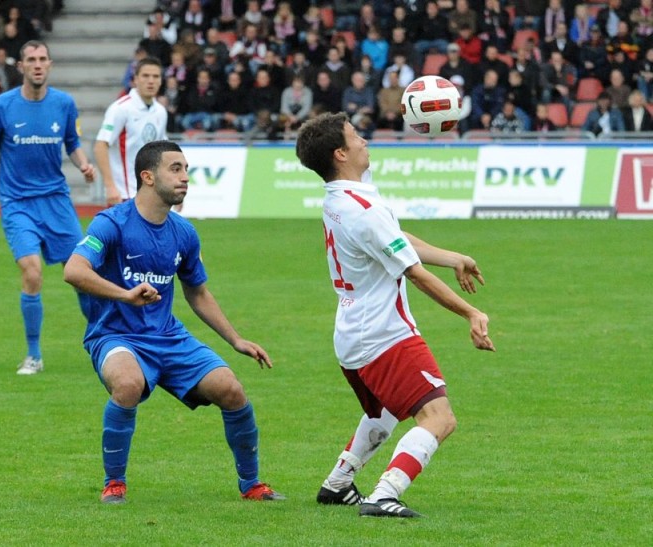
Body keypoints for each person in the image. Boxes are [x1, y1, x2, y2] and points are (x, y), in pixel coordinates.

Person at [294, 112, 495, 518]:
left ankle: (338, 484)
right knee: (439, 417)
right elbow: (414, 274)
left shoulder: (348, 195)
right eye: (356, 137)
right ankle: (385, 495)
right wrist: (470, 312)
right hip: (384, 334)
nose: (364, 140)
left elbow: (395, 237)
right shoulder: (361, 209)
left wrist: (452, 257)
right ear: (340, 153)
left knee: (382, 412)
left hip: (352, 333)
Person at [62, 140, 285, 505]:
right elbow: (74, 270)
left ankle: (252, 485)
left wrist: (236, 340)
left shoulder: (184, 232)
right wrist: (125, 295)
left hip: (168, 337)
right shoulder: (111, 223)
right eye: (175, 169)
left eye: (186, 169)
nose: (185, 177)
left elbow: (197, 292)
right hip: (115, 335)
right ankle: (114, 483)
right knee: (128, 384)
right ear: (147, 177)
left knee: (232, 390)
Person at [0, 40, 96, 375]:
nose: (37, 64)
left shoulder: (64, 104)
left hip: (56, 201)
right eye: (31, 60)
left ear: (50, 65)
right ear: (22, 66)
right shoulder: (1, 106)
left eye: (42, 59)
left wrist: (83, 164)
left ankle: (105, 340)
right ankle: (34, 355)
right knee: (32, 271)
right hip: (17, 203)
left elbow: (72, 142)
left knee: (82, 275)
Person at [93, 57, 167, 207]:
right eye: (146, 76)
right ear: (135, 79)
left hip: (150, 195)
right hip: (123, 195)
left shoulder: (160, 111)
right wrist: (110, 186)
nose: (151, 81)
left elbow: (162, 153)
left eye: (156, 76)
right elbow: (100, 146)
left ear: (161, 81)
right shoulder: (120, 108)